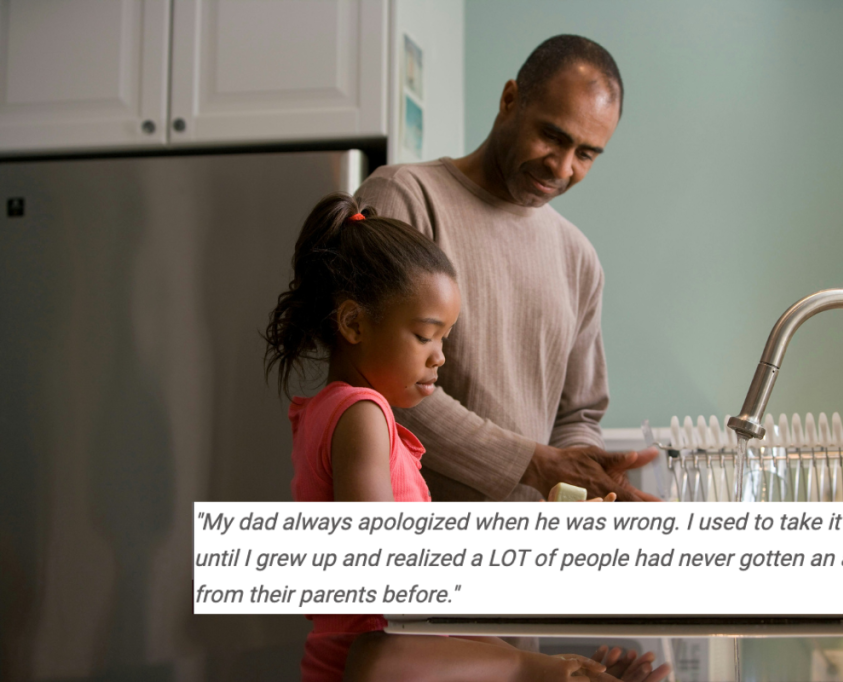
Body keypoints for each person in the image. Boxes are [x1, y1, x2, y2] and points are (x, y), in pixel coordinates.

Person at [264, 193, 669, 681]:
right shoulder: (362, 414)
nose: (440, 357)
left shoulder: (332, 412)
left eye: (445, 338)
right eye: (424, 335)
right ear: (353, 323)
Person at [356, 34, 659, 503]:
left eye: (585, 153)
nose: (561, 167)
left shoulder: (577, 257)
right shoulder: (404, 197)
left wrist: (581, 479)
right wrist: (533, 463)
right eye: (552, 136)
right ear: (509, 99)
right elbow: (376, 379)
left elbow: (577, 414)